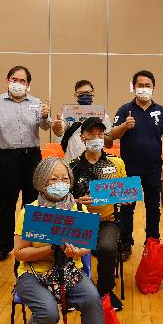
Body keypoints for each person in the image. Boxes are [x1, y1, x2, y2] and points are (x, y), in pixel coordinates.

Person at [7, 157, 106, 324]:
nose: (60, 184)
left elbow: (85, 247)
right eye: (53, 179)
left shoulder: (79, 210)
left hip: (67, 269)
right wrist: (49, 250)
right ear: (41, 182)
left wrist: (76, 252)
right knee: (49, 313)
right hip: (33, 273)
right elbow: (19, 253)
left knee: (93, 299)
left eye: (64, 179)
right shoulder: (29, 212)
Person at [0, 65, 51, 262]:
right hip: (6, 157)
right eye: (15, 80)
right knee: (7, 203)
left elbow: (45, 126)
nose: (18, 84)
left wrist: (45, 116)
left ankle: (31, 243)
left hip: (32, 157)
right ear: (8, 80)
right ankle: (5, 245)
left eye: (23, 81)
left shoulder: (36, 102)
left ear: (28, 84)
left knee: (32, 202)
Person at [110, 70, 163, 257]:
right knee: (127, 208)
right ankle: (125, 243)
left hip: (154, 169)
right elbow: (111, 136)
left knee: (153, 208)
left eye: (147, 86)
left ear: (153, 87)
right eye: (140, 85)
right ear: (134, 87)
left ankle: (152, 242)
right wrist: (125, 125)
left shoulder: (161, 111)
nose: (144, 89)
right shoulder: (124, 110)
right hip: (128, 170)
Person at [69, 117, 125, 311]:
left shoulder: (116, 163)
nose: (96, 138)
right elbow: (63, 197)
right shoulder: (73, 166)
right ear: (82, 137)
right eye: (91, 134)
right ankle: (74, 289)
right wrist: (76, 201)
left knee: (108, 248)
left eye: (100, 134)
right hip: (81, 220)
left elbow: (126, 195)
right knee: (65, 247)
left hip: (107, 220)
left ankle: (105, 291)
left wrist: (116, 198)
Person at [51, 79, 113, 162]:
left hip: (96, 162)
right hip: (73, 162)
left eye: (87, 93)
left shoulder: (102, 115)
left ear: (93, 93)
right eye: (81, 94)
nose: (84, 96)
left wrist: (97, 136)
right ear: (75, 95)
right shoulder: (69, 113)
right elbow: (59, 132)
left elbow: (109, 143)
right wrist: (57, 127)